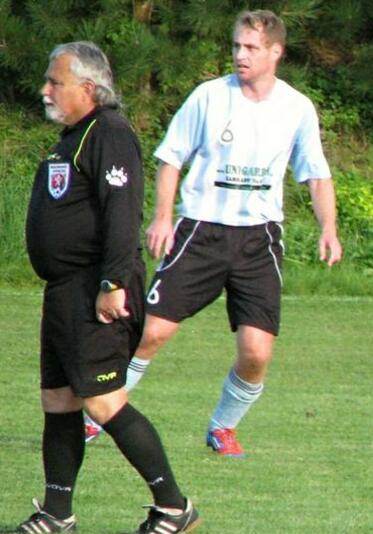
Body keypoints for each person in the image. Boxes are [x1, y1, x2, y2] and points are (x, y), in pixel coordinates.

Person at [85, 9, 342, 456]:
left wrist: (329, 228)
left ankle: (223, 427)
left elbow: (317, 175)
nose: (241, 55)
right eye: (237, 46)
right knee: (151, 333)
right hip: (201, 233)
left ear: (276, 52)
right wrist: (163, 217)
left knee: (257, 352)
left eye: (251, 47)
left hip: (258, 241)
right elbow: (171, 158)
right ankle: (95, 416)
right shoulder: (209, 96)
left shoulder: (297, 107)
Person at [11, 41, 200, 534]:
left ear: (89, 88)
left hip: (95, 284)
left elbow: (122, 213)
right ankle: (57, 513)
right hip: (64, 289)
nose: (45, 90)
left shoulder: (109, 133)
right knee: (59, 398)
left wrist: (112, 283)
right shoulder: (73, 136)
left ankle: (174, 507)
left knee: (103, 399)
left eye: (56, 82)